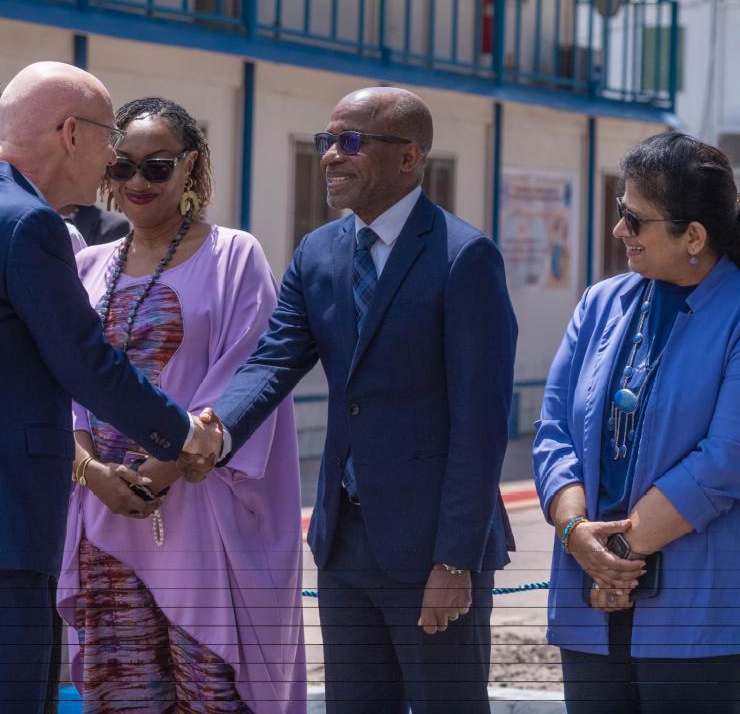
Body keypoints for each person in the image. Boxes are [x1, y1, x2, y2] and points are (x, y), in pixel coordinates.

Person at [190, 86, 517, 712]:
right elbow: (274, 360)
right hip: (345, 544)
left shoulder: (464, 257)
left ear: (409, 156)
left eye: (351, 142)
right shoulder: (318, 253)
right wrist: (214, 429)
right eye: (327, 141)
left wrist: (454, 560)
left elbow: (480, 425)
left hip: (432, 548)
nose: (331, 157)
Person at [533, 132, 740, 714]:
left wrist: (615, 554)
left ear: (694, 237)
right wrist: (578, 536)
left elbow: (731, 460)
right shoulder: (601, 303)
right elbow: (553, 432)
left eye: (633, 218)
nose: (618, 231)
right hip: (591, 598)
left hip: (701, 608)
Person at [56, 97, 305, 713]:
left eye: (158, 166)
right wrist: (91, 472)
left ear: (191, 167)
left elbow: (246, 375)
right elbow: (64, 381)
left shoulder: (234, 256)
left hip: (201, 509)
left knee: (211, 690)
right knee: (126, 691)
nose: (138, 182)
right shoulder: (85, 266)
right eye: (122, 167)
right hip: (106, 514)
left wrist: (157, 471)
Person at [0, 62, 219, 713]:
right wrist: (183, 435)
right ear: (71, 131)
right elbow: (84, 361)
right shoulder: (27, 225)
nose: (110, 165)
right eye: (109, 143)